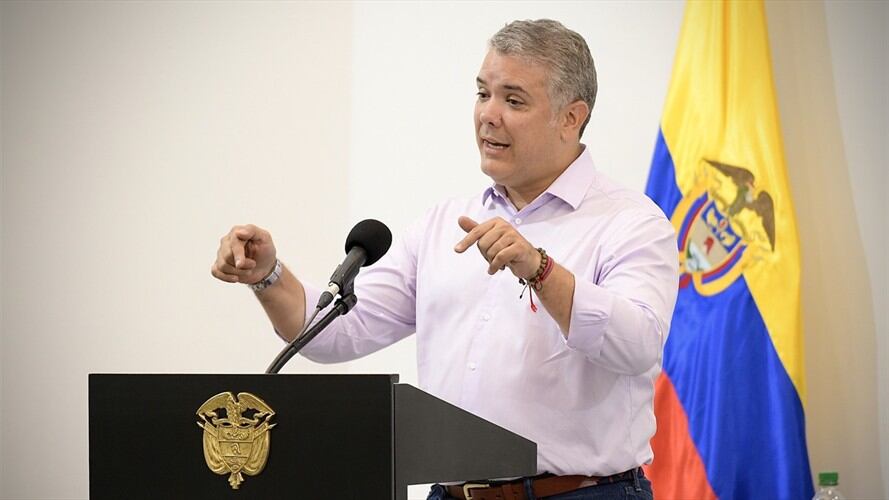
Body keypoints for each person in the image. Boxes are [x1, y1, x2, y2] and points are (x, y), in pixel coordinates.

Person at [212, 19, 678, 500]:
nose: (488, 116)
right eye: (482, 94)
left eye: (513, 100)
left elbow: (637, 344)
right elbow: (335, 332)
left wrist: (541, 271)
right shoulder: (444, 224)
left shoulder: (630, 222)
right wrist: (267, 275)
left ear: (571, 117)